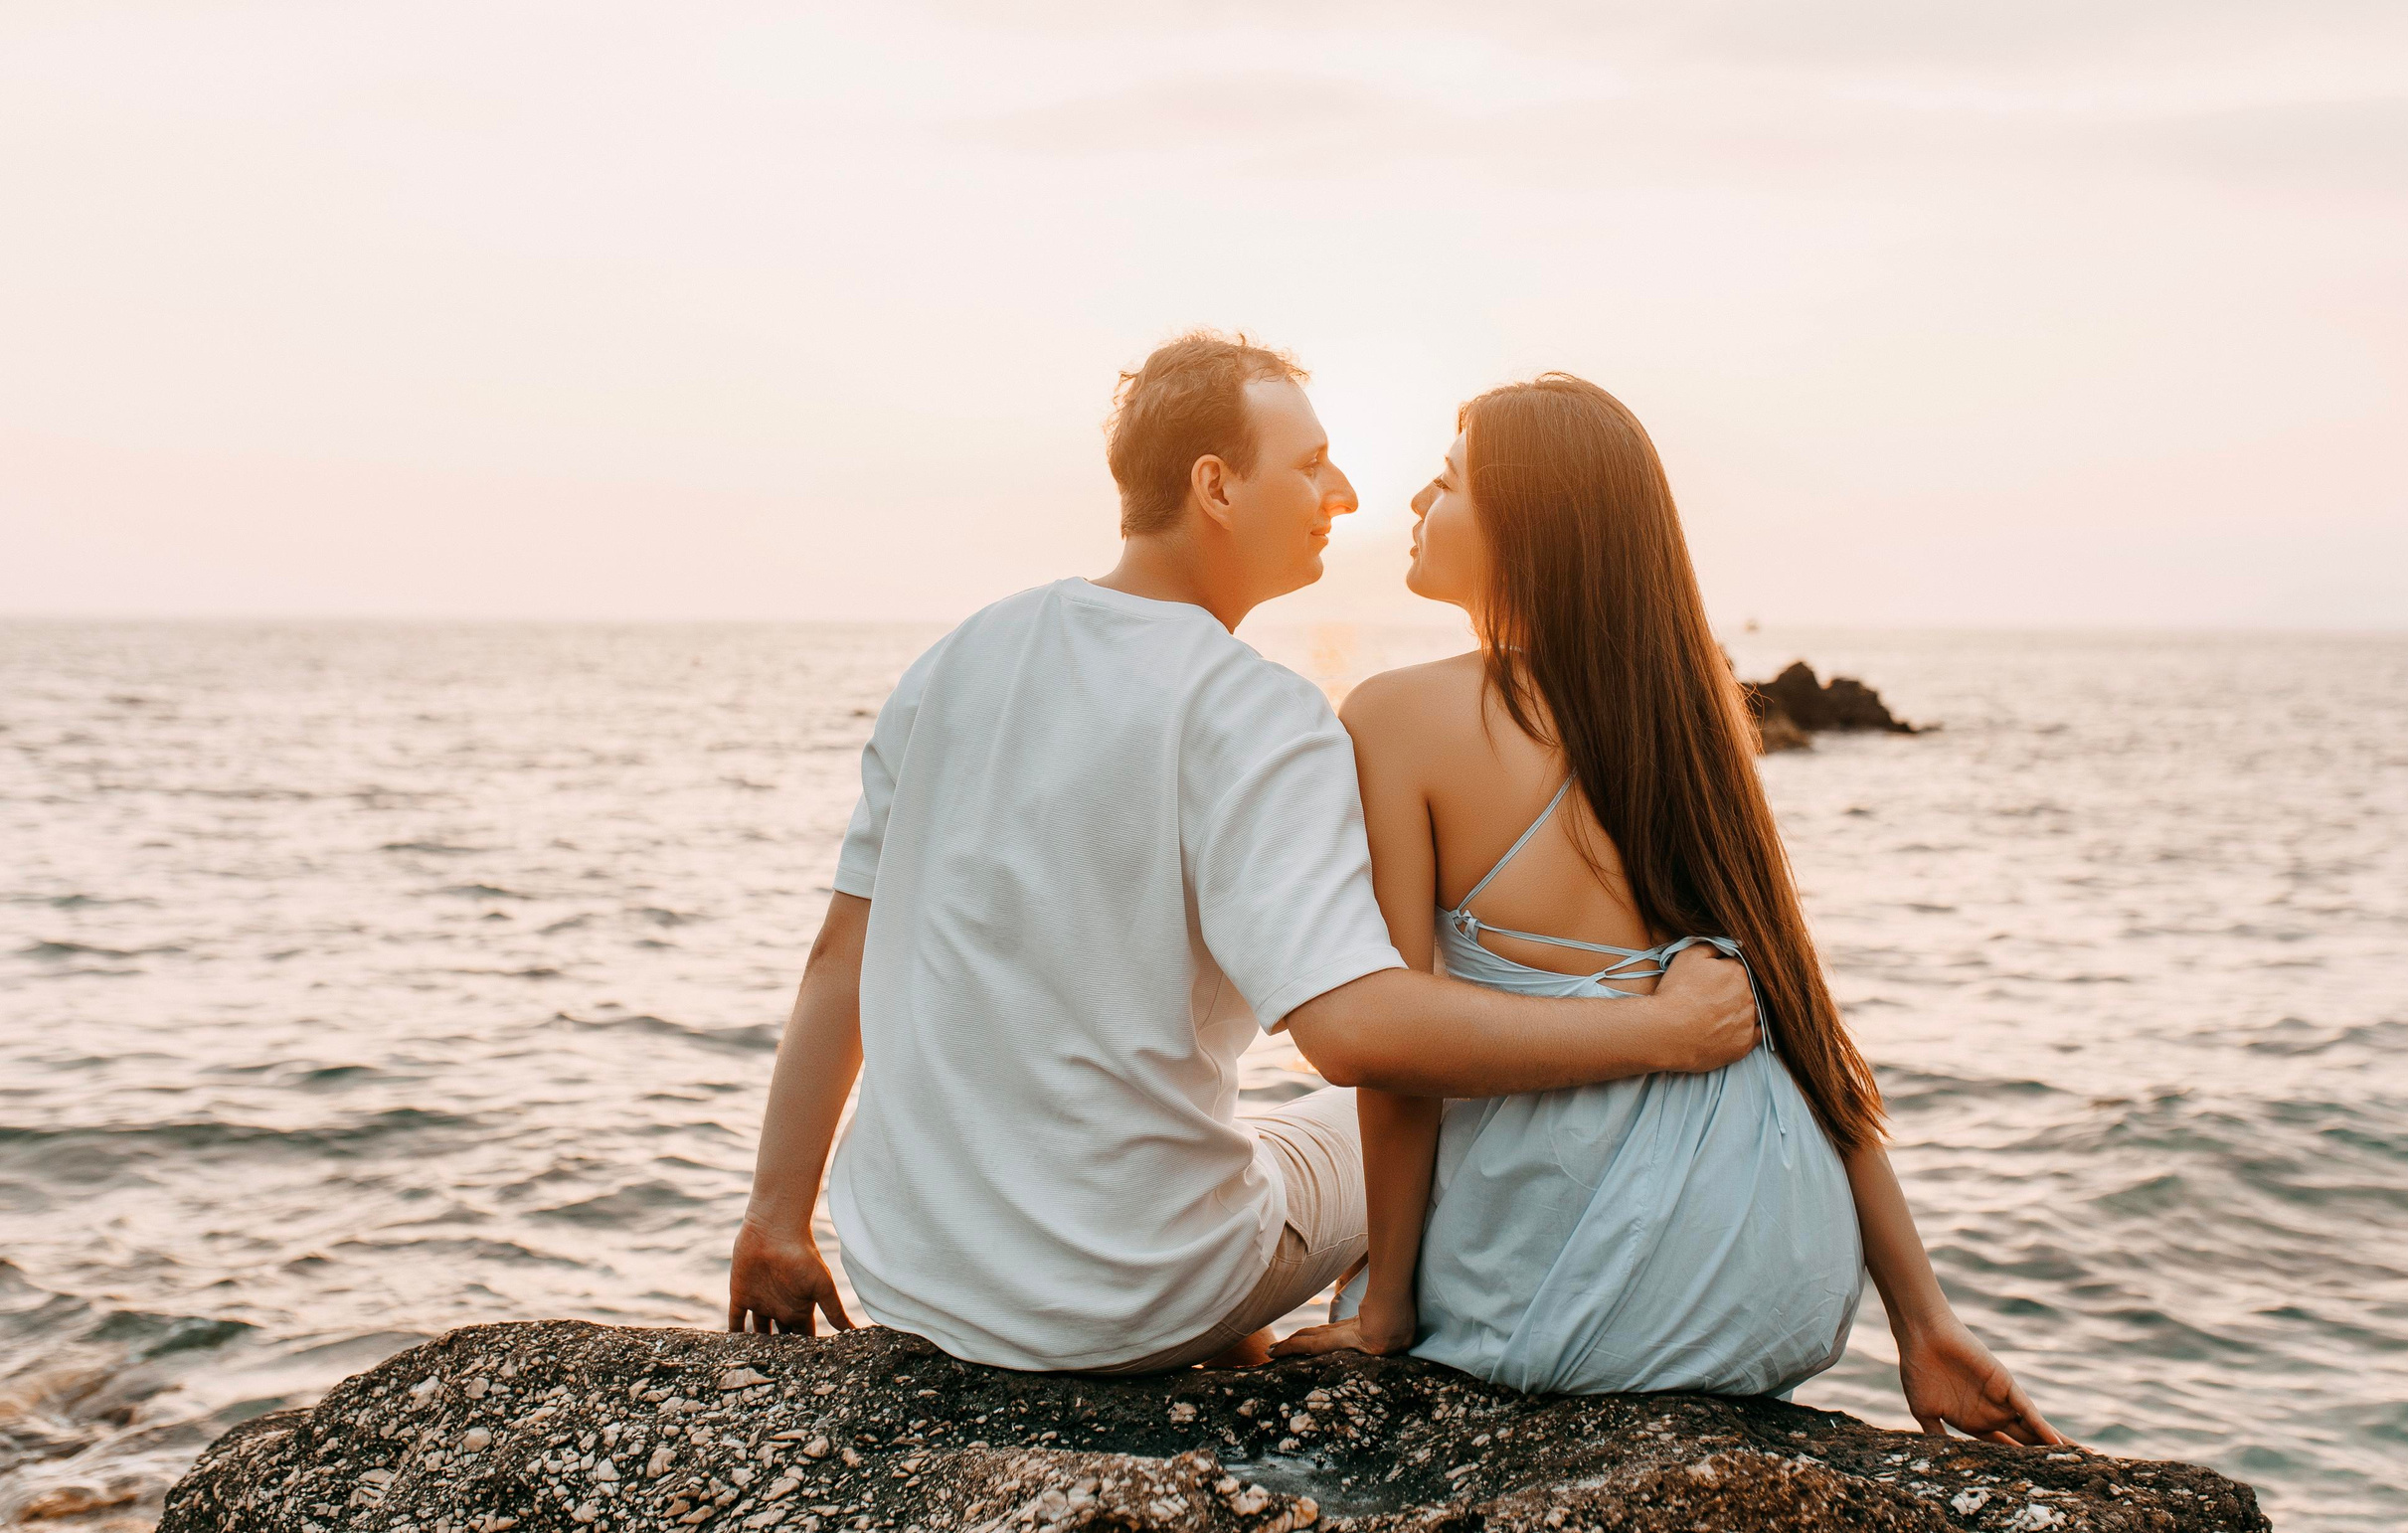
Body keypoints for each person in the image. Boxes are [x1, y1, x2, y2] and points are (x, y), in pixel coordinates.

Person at [725, 335, 1767, 1375]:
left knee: (1234, 1125)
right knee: (1415, 1105)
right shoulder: (1252, 709)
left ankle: (1236, 1333)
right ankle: (1384, 1331)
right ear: (1215, 485)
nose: (1346, 493)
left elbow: (839, 957)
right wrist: (1661, 1030)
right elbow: (1356, 1034)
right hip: (1127, 1302)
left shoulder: (956, 658)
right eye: (1310, 464)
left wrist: (775, 1220)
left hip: (916, 1277)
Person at [1273, 376, 2064, 1446]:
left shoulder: (1395, 714)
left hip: (1577, 1280)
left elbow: (1404, 1062)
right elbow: (1802, 1020)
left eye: (1449, 481)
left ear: (1528, 528)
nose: (1416, 499)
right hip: (1777, 1273)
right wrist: (1922, 1322)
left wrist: (1386, 1312)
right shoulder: (1688, 717)